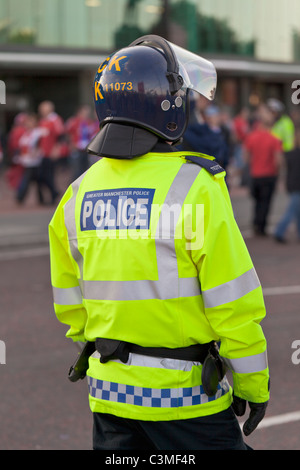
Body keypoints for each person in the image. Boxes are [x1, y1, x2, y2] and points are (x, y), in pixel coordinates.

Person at [49, 35, 269, 451]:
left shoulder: (76, 195)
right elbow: (233, 305)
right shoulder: (195, 187)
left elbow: (72, 307)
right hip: (186, 402)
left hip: (110, 398)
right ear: (169, 107)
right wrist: (253, 384)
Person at [243, 103, 283, 236]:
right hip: (269, 174)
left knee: (257, 201)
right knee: (266, 202)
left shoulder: (251, 137)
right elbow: (278, 160)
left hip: (255, 174)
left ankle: (255, 223)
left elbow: (246, 157)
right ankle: (262, 227)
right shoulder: (274, 139)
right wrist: (277, 172)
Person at [274, 127, 300, 243]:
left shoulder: (289, 154)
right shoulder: (292, 154)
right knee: (291, 211)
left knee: (296, 210)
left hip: (292, 184)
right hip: (296, 185)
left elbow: (285, 168)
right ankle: (279, 231)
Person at [15, 113, 46, 204]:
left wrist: (36, 152)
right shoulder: (26, 133)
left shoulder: (38, 132)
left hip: (36, 161)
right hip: (27, 160)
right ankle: (41, 199)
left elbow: (41, 143)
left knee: (31, 180)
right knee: (37, 181)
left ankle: (20, 197)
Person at [38, 100, 64, 204]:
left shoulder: (55, 120)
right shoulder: (43, 121)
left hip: (51, 152)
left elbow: (60, 135)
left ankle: (54, 195)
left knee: (49, 175)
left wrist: (56, 149)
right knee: (41, 176)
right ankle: (54, 192)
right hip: (43, 153)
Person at [65, 105, 95, 181]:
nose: (87, 114)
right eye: (85, 112)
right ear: (79, 112)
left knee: (85, 170)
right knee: (76, 171)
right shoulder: (73, 121)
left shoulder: (89, 122)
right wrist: (71, 144)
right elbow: (68, 134)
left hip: (86, 149)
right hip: (76, 149)